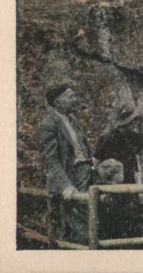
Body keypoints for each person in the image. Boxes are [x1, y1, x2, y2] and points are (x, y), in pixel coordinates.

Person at [40, 84, 95, 242]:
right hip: (71, 179)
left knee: (94, 217)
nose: (75, 99)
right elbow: (51, 160)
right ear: (58, 102)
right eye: (70, 96)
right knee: (80, 225)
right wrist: (66, 185)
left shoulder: (72, 120)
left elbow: (81, 147)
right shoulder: (49, 124)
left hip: (86, 173)